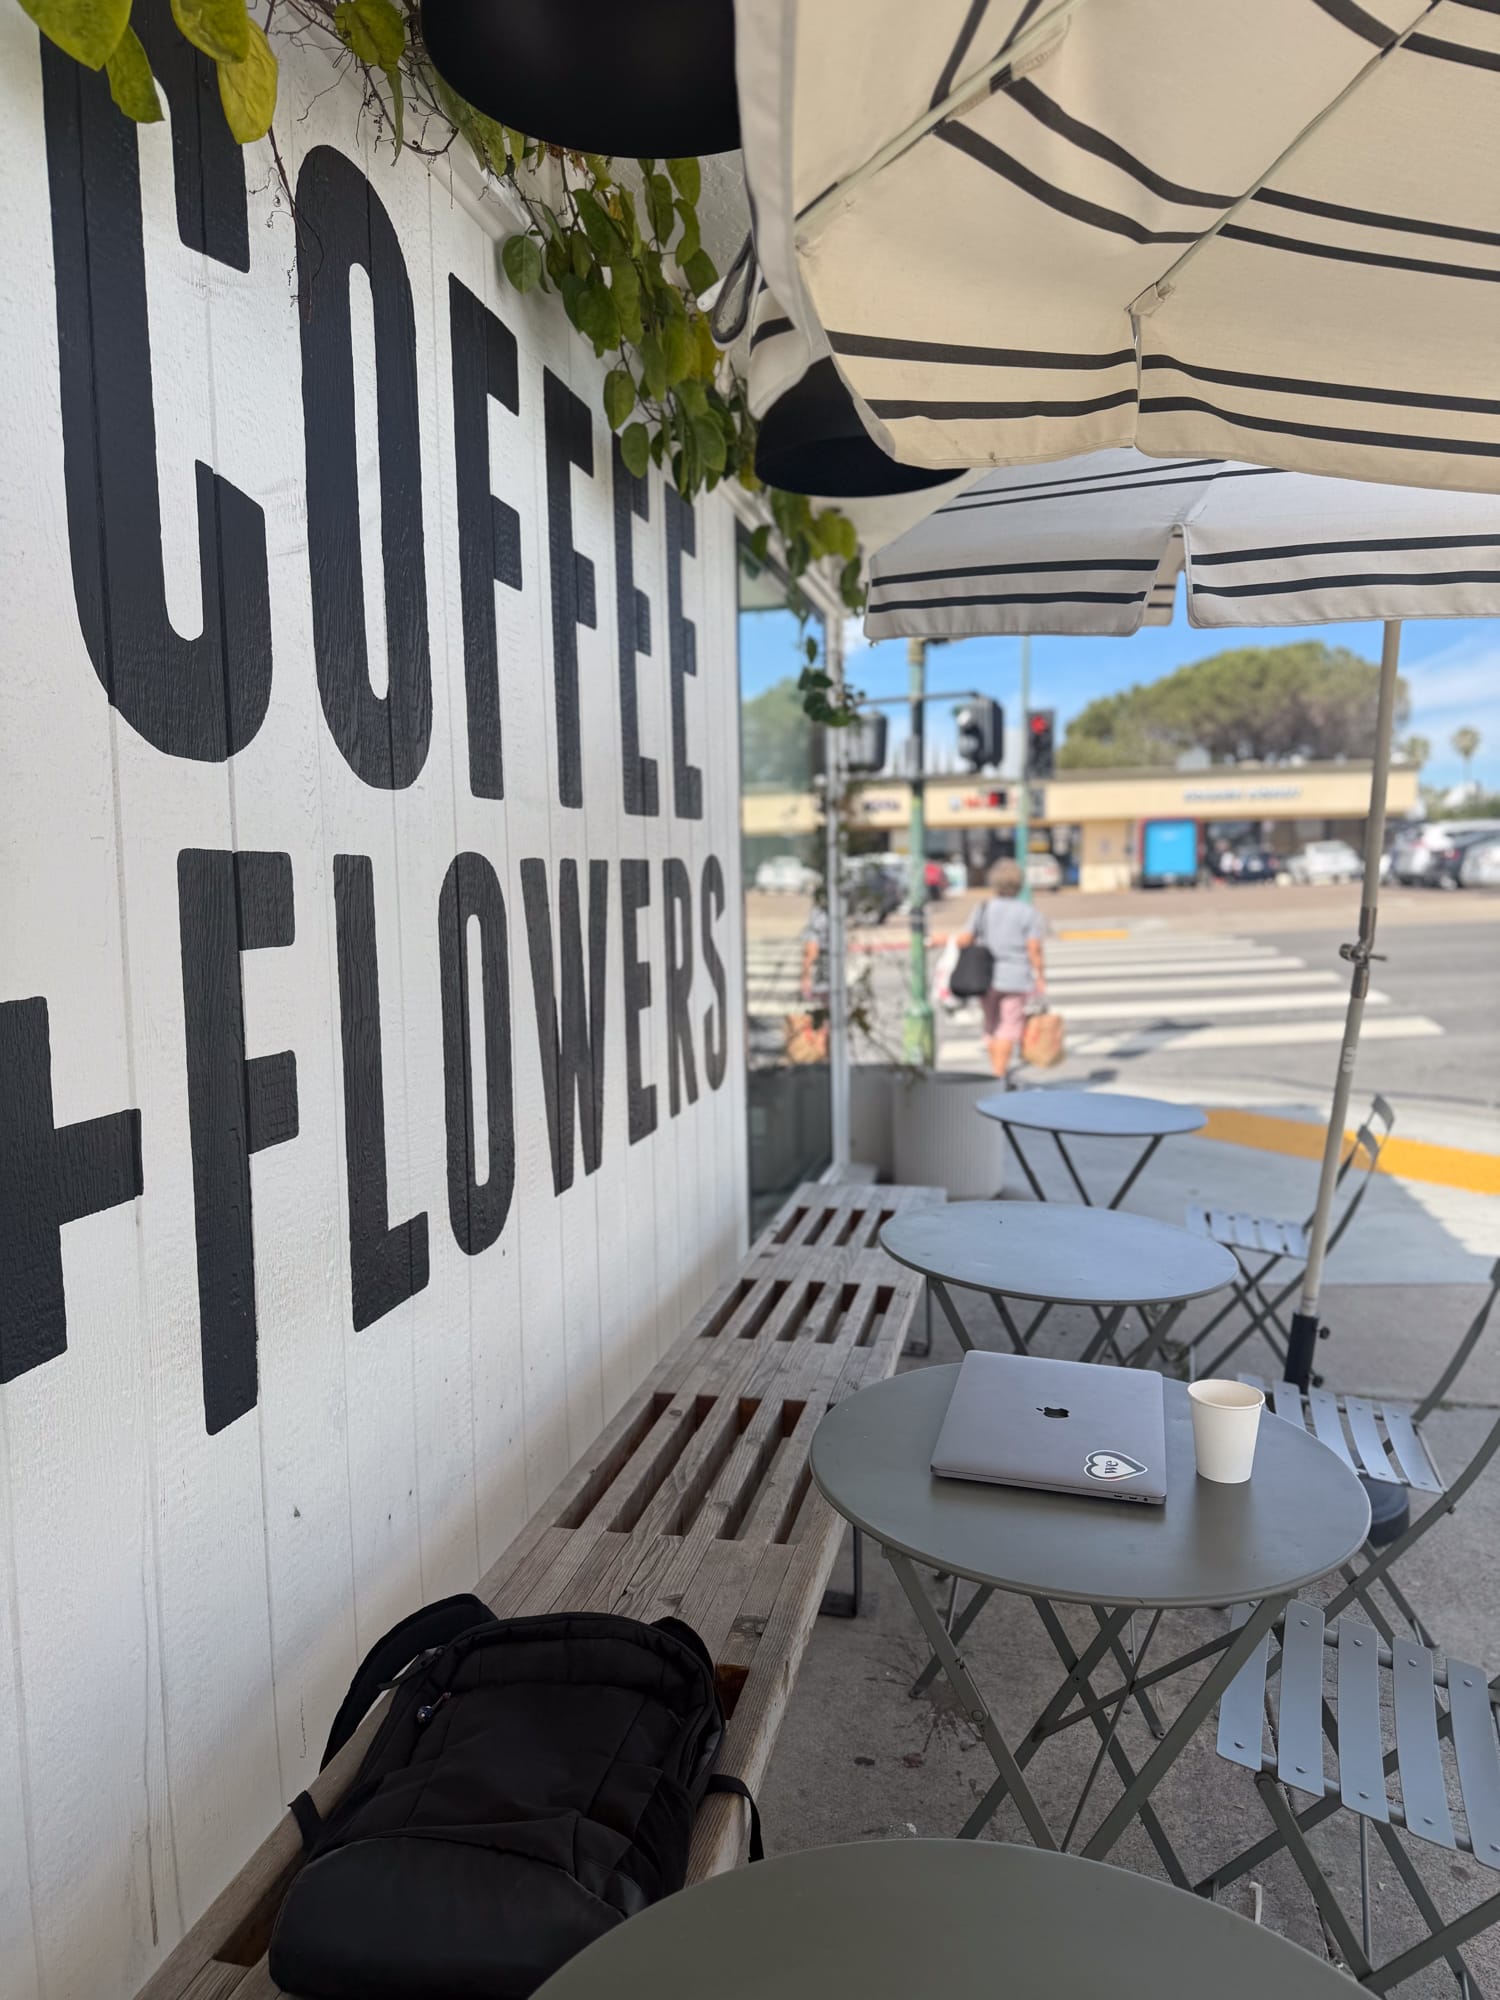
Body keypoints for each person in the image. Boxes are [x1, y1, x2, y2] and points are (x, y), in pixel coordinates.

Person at [954, 858, 1046, 1082]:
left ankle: (996, 1070)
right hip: (1015, 978)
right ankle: (998, 1075)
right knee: (1009, 1025)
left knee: (991, 1024)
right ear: (1019, 884)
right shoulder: (1028, 912)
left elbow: (965, 938)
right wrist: (1040, 976)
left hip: (985, 976)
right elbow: (1034, 948)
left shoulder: (983, 909)